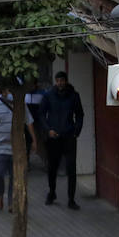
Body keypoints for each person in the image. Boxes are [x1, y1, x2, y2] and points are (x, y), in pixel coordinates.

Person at [40, 69, 84, 209]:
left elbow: (80, 114)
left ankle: (71, 199)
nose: (60, 83)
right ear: (55, 81)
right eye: (58, 81)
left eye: (62, 81)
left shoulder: (73, 96)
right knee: (52, 168)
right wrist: (48, 130)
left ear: (66, 81)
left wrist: (76, 131)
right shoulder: (48, 96)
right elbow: (41, 114)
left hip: (69, 136)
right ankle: (52, 192)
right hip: (53, 137)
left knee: (71, 168)